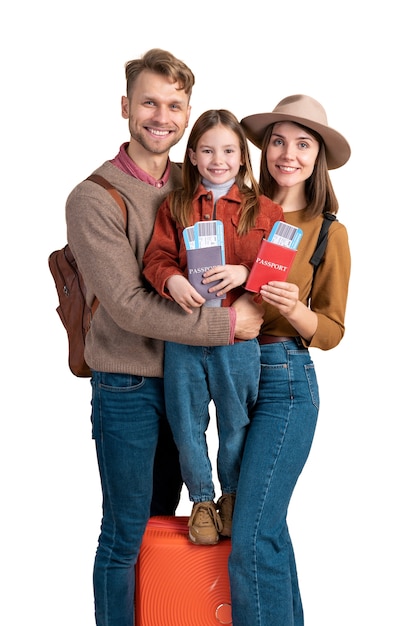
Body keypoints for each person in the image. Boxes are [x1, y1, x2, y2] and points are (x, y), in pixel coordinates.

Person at [65, 49, 263, 626]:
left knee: (167, 523)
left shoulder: (199, 182)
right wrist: (227, 326)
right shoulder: (93, 198)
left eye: (175, 105)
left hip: (192, 381)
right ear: (126, 107)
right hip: (128, 385)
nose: (162, 116)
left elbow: (249, 243)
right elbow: (127, 305)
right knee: (126, 532)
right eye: (149, 101)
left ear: (188, 113)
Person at [228, 94, 351, 625]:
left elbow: (331, 331)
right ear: (264, 148)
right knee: (263, 530)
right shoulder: (237, 211)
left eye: (303, 144)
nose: (288, 154)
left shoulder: (327, 231)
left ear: (317, 156)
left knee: (252, 536)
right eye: (278, 140)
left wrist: (296, 310)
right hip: (230, 376)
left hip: (286, 381)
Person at [143, 109, 283, 546]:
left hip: (238, 341)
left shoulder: (267, 210)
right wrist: (172, 279)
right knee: (185, 424)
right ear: (192, 155)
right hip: (185, 335)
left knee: (236, 422)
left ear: (243, 156)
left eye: (227, 150)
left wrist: (246, 275)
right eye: (207, 150)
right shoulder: (177, 205)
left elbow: (276, 272)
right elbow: (156, 258)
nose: (217, 159)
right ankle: (201, 500)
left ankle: (232, 497)